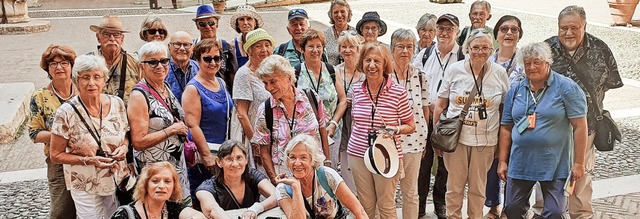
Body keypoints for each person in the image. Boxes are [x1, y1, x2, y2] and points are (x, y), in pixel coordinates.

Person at [544, 5, 623, 218]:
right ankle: (544, 212)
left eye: (574, 27)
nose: (568, 33)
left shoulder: (600, 49)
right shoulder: (546, 49)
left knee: (580, 173)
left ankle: (580, 214)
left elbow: (608, 84)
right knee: (547, 173)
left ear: (584, 26)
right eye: (563, 28)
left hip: (587, 126)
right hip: (551, 127)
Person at [497, 42, 588, 219]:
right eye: (527, 63)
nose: (532, 67)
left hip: (555, 163)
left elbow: (580, 126)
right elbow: (506, 127)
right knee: (512, 209)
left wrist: (578, 163)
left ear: (548, 62)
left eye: (537, 62)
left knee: (554, 212)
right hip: (521, 162)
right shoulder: (516, 90)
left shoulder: (566, 88)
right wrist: (502, 161)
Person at [432, 30, 509, 219]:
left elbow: (505, 109)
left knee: (478, 187)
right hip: (456, 140)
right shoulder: (455, 70)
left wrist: (501, 142)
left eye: (485, 48)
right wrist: (437, 139)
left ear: (492, 50)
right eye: (475, 47)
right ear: (467, 49)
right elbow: (440, 105)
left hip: (485, 140)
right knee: (454, 187)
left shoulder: (499, 73)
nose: (480, 51)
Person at [50, 54, 132, 218]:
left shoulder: (117, 103)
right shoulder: (65, 113)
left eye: (97, 77)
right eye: (85, 77)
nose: (91, 83)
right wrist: (88, 160)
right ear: (76, 81)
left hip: (117, 178)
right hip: (85, 182)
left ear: (104, 80)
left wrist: (124, 147)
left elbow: (125, 134)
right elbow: (55, 155)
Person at [348, 43, 416, 219]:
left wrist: (395, 129)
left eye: (377, 61)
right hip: (357, 153)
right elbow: (356, 120)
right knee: (365, 205)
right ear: (361, 63)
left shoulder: (398, 92)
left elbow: (411, 125)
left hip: (386, 154)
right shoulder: (356, 89)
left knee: (386, 205)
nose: (371, 65)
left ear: (385, 64)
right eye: (367, 60)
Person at [412, 13, 463, 219]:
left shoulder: (463, 58)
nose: (444, 32)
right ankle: (420, 203)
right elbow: (413, 82)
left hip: (449, 120)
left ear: (457, 32)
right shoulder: (424, 54)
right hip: (425, 117)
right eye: (440, 28)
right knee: (423, 163)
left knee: (445, 165)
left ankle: (440, 202)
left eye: (449, 29)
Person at [251, 55, 330, 184]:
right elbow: (263, 151)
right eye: (265, 83)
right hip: (285, 173)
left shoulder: (311, 98)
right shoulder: (265, 110)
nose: (269, 88)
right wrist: (274, 179)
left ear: (288, 77)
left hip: (314, 168)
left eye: (273, 81)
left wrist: (327, 162)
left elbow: (322, 130)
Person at [127, 42, 191, 202]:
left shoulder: (164, 87)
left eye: (164, 61)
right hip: (154, 172)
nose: (160, 66)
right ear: (142, 66)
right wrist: (172, 130)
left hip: (174, 166)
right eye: (153, 62)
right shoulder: (139, 95)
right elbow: (138, 142)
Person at [182, 38, 235, 209]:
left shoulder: (220, 81)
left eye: (217, 58)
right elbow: (192, 125)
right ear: (197, 60)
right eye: (207, 59)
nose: (213, 62)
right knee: (205, 201)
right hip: (204, 157)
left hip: (223, 152)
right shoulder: (193, 89)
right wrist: (206, 156)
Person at [483, 14, 526, 219]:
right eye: (504, 29)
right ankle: (493, 206)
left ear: (519, 35)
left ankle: (512, 208)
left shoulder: (526, 61)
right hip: (491, 119)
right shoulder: (486, 59)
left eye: (514, 29)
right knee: (492, 165)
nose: (509, 33)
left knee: (512, 165)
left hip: (517, 121)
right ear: (497, 34)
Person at [29, 44, 78, 219]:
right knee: (61, 211)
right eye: (53, 63)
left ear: (72, 66)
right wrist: (60, 136)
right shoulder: (39, 96)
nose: (59, 67)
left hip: (87, 156)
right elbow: (34, 134)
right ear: (47, 68)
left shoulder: (84, 89)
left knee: (92, 209)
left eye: (64, 62)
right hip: (57, 159)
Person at [275, 134, 368, 219]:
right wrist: (296, 186)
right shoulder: (283, 189)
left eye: (303, 157)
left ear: (313, 159)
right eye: (292, 157)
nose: (297, 163)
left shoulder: (327, 175)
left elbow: (359, 211)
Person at [389, 29, 430, 219]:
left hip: (415, 141)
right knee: (388, 192)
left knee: (411, 192)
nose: (405, 51)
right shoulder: (384, 76)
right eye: (400, 46)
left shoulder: (421, 76)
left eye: (409, 47)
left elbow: (425, 110)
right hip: (389, 142)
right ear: (392, 49)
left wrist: (425, 139)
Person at [296, 29, 348, 169]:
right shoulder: (295, 72)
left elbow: (343, 101)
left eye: (318, 46)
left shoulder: (331, 71)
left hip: (332, 133)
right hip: (305, 136)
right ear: (303, 49)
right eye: (310, 46)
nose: (315, 50)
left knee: (329, 172)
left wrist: (333, 124)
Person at [196, 140, 277, 219]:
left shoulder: (252, 175)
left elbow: (276, 195)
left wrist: (255, 209)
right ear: (219, 162)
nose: (235, 164)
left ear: (246, 160)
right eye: (229, 159)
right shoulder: (207, 188)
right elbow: (212, 210)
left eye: (239, 158)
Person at [232, 28, 275, 169]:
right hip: (257, 140)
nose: (264, 50)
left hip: (275, 137)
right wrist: (255, 143)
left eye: (267, 45)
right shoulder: (244, 74)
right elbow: (242, 114)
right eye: (258, 46)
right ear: (249, 51)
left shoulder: (271, 70)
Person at [111, 162, 206, 219]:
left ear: (174, 187)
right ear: (145, 185)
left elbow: (199, 216)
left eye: (167, 181)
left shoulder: (172, 208)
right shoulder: (124, 214)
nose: (161, 186)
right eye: (155, 181)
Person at [88, 15, 141, 104]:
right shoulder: (87, 63)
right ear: (98, 37)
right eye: (106, 34)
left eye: (116, 35)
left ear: (122, 38)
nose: (112, 39)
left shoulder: (135, 62)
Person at [335, 30, 364, 193]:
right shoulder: (335, 71)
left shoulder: (365, 72)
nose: (347, 50)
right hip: (341, 122)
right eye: (344, 47)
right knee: (345, 165)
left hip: (359, 123)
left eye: (351, 46)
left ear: (358, 48)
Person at [192, 4, 238, 95]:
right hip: (197, 95)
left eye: (211, 23)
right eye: (202, 24)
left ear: (217, 24)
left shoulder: (226, 47)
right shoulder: (191, 47)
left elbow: (233, 74)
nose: (207, 27)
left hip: (223, 94)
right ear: (197, 26)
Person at [166, 31, 199, 103]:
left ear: (192, 48)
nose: (182, 48)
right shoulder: (162, 70)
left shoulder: (200, 69)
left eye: (186, 45)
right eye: (177, 44)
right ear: (169, 47)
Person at [323, 0, 355, 65]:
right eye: (336, 12)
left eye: (342, 11)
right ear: (331, 15)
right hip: (331, 73)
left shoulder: (357, 34)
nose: (339, 15)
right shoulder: (324, 35)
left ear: (348, 13)